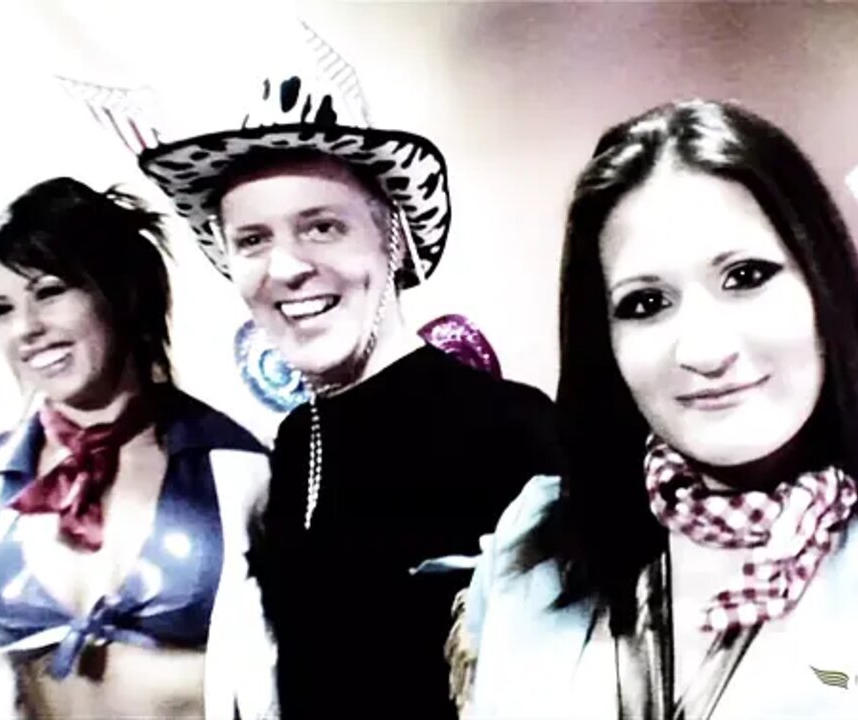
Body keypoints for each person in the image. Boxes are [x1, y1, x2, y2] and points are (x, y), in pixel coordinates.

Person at [457, 100, 858, 719]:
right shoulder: (532, 542)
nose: (704, 350)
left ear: (822, 285)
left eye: (747, 276)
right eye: (646, 303)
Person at [136, 71, 562, 718]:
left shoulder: (511, 429)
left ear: (393, 238)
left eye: (322, 227)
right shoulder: (297, 441)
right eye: (253, 240)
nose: (285, 268)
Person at [0, 177, 276, 719]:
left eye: (49, 292)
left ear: (121, 293)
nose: (26, 328)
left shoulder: (240, 469)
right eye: (1, 309)